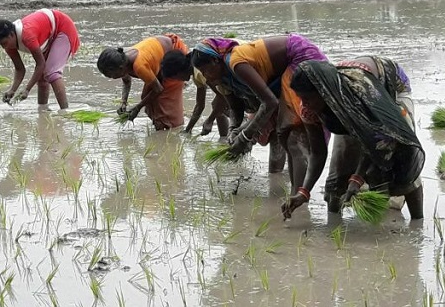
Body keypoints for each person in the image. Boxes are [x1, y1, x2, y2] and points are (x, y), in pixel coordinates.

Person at [190, 34, 328, 205]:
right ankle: (294, 193)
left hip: (298, 58)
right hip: (278, 80)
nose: (206, 76)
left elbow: (269, 101)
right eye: (202, 73)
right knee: (283, 134)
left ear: (215, 62)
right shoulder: (222, 80)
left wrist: (246, 135)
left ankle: (297, 199)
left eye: (206, 70)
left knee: (295, 136)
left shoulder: (236, 63)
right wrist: (234, 129)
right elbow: (235, 109)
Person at [289, 57, 425, 220]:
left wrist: (358, 177)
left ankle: (418, 222)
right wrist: (304, 192)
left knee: (403, 156)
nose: (305, 104)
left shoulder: (359, 91)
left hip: (389, 90)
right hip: (348, 110)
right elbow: (317, 153)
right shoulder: (308, 109)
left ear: (323, 91)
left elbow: (378, 137)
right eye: (301, 98)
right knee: (336, 179)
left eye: (309, 98)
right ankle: (334, 225)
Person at [0, 8, 80, 110]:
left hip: (63, 27)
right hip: (49, 33)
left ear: (11, 34)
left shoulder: (27, 35)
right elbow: (20, 69)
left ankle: (65, 112)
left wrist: (27, 89)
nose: (3, 47)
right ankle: (42, 110)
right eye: (0, 45)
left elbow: (40, 64)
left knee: (52, 73)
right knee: (41, 79)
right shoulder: (9, 45)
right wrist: (12, 90)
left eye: (4, 43)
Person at [97, 34, 188, 130]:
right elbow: (127, 81)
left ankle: (174, 130)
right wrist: (124, 102)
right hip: (160, 58)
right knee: (147, 98)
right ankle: (159, 128)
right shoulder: (122, 59)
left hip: (175, 56)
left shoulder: (139, 66)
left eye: (110, 75)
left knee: (164, 106)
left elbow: (158, 89)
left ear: (121, 68)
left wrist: (137, 108)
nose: (111, 78)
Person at [161, 49, 230, 136]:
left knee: (220, 105)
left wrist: (210, 120)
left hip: (235, 78)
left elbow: (222, 97)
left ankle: (237, 132)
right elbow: (200, 106)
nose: (177, 80)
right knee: (218, 105)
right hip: (228, 82)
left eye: (175, 77)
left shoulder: (201, 72)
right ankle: (224, 139)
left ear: (178, 71)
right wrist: (188, 130)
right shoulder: (196, 74)